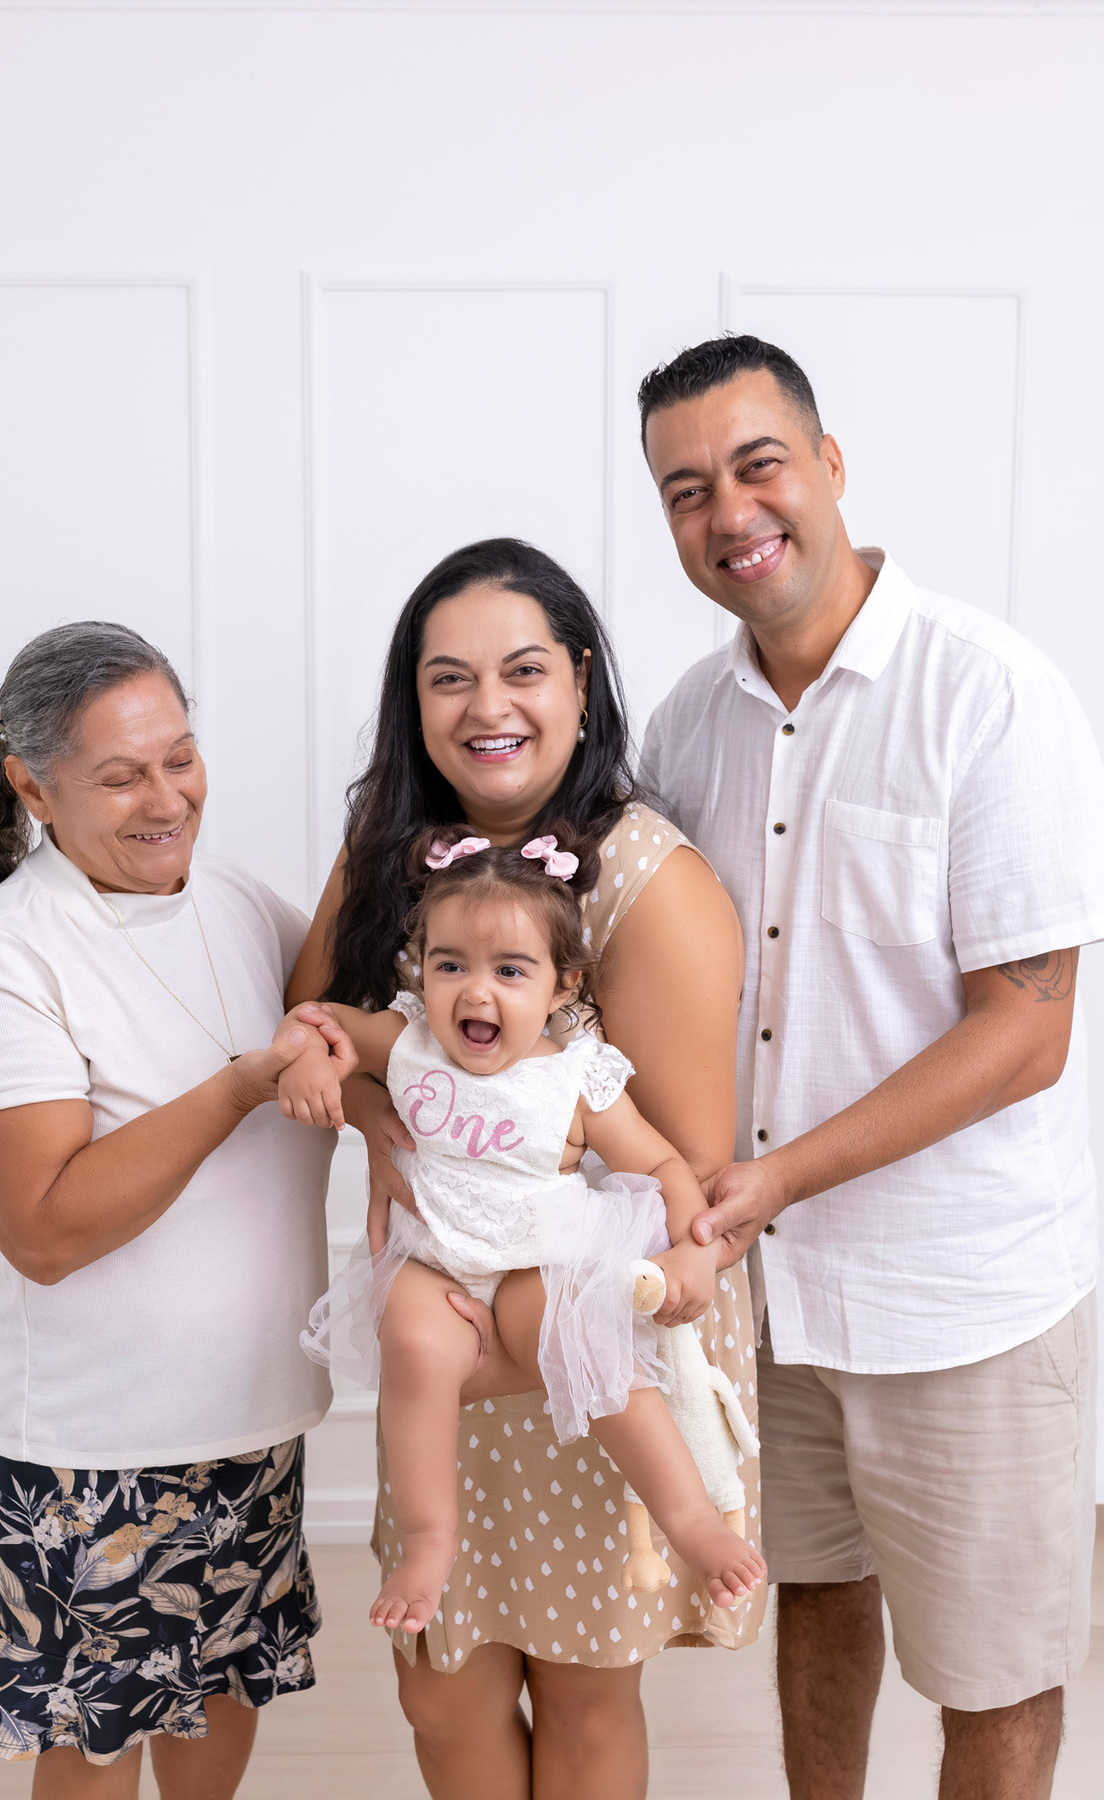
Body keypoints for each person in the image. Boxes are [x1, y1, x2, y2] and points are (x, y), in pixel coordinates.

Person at [638, 333, 1104, 1800]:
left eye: (758, 465)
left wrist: (773, 1178)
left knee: (994, 1674)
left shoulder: (993, 695)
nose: (730, 514)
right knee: (818, 1602)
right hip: (766, 1298)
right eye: (686, 489)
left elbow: (1026, 1032)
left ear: (831, 468)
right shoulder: (684, 724)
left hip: (960, 1295)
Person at [287, 537, 761, 1800]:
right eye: (448, 678)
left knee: (584, 1681)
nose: (486, 707)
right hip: (442, 1309)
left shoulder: (643, 877)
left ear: (582, 677)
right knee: (442, 1687)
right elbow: (321, 1027)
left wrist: (512, 1331)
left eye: (522, 670)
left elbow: (685, 1163)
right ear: (414, 701)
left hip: (579, 1335)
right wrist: (389, 1120)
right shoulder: (393, 846)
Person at [0, 623, 332, 1800]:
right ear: (31, 786)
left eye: (182, 757)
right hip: (92, 1456)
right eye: (122, 775)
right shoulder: (6, 958)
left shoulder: (246, 905)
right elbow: (44, 1228)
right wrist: (240, 1083)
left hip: (248, 1420)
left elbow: (347, 1044)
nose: (168, 799)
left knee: (221, 1696)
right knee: (96, 1746)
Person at [284, 826, 765, 1632]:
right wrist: (309, 1058)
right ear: (423, 968)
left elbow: (664, 1166)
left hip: (539, 1262)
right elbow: (314, 1022)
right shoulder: (408, 1043)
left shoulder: (576, 1078)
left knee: (586, 1343)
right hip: (435, 1262)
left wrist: (692, 1249)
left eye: (510, 971)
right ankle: (429, 1539)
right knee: (415, 1344)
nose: (476, 993)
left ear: (560, 984)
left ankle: (690, 1519)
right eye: (451, 966)